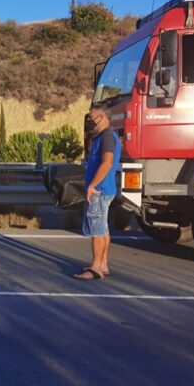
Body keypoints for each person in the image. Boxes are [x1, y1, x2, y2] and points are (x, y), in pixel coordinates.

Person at [74, 106, 121, 280]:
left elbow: (107, 163)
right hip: (104, 189)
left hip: (99, 190)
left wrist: (92, 185)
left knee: (96, 230)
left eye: (92, 117)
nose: (89, 121)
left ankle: (95, 268)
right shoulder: (104, 137)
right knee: (103, 229)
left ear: (102, 118)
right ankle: (103, 264)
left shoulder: (107, 137)